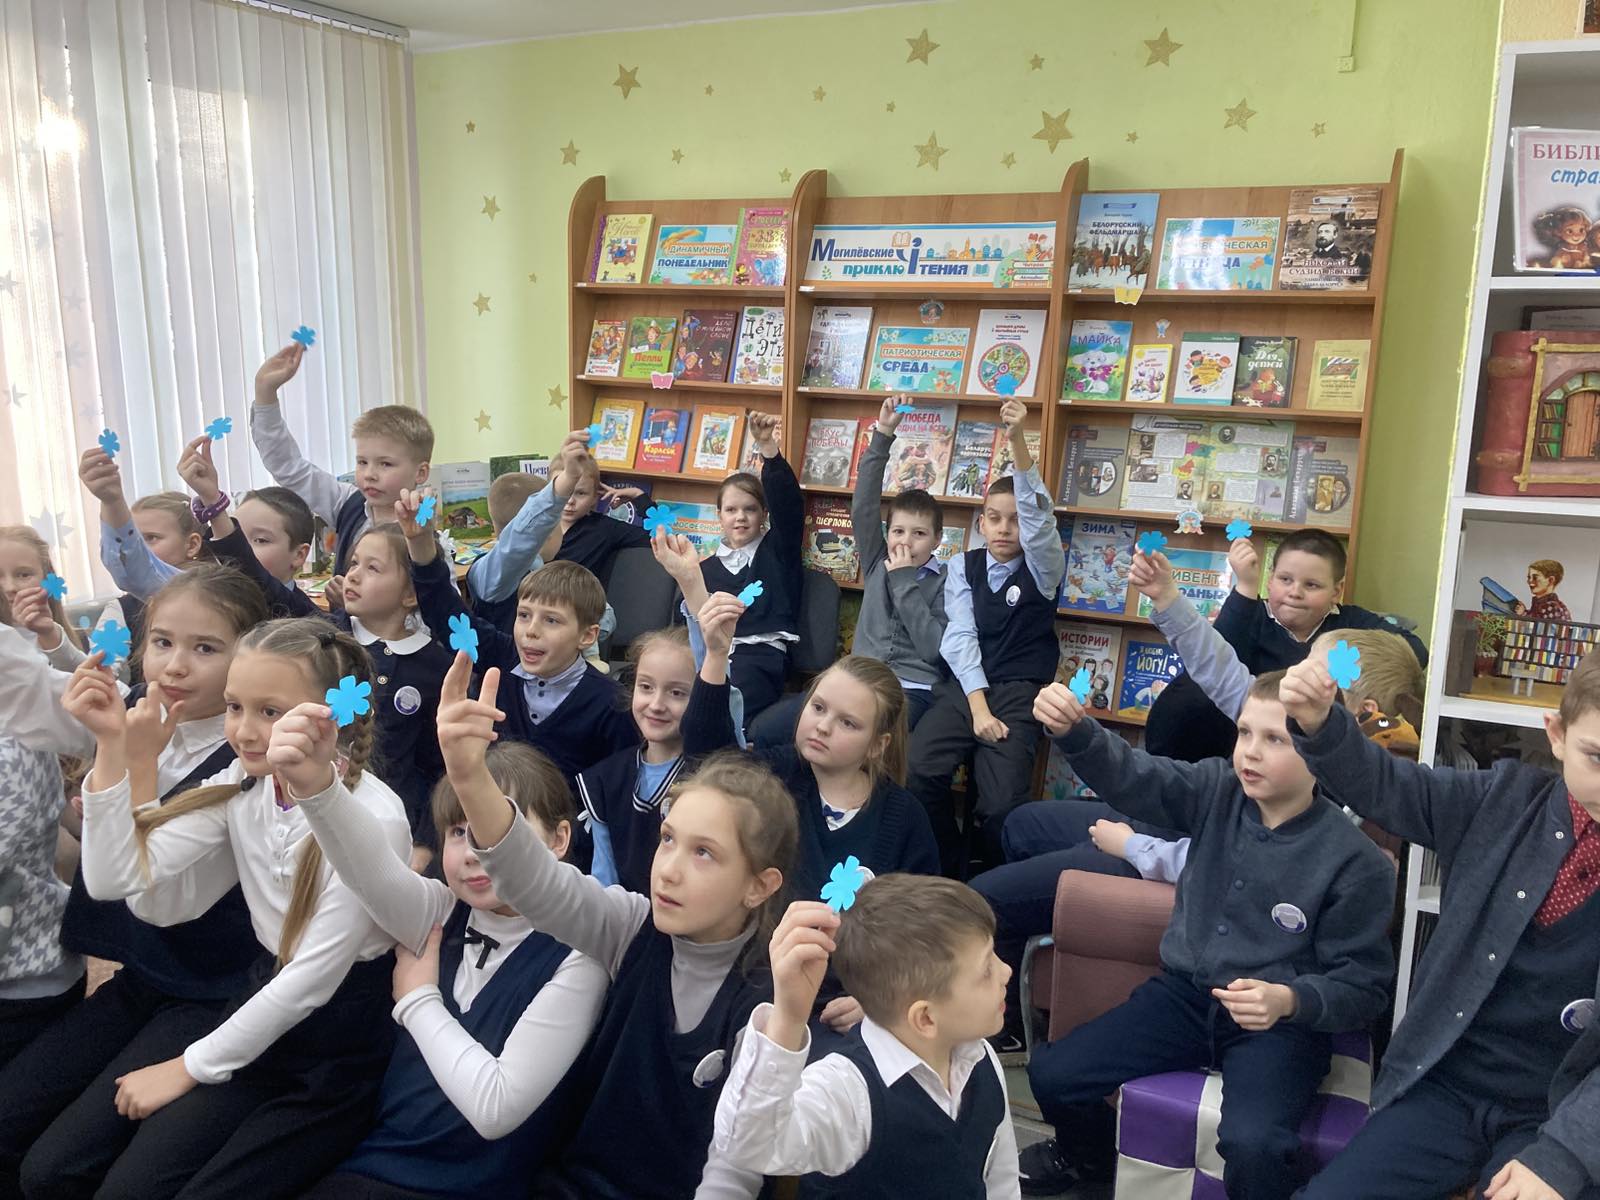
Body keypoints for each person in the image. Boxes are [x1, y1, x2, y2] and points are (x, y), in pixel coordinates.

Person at [972, 549, 1426, 1056]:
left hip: (1159, 855)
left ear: (1360, 711)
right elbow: (1220, 669)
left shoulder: (1336, 801)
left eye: (1311, 678)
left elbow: (1236, 870)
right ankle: (1033, 977)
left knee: (986, 899)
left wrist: (1133, 847)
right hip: (1169, 818)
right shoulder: (1280, 715)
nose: (1292, 679)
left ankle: (1005, 1014)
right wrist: (1168, 598)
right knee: (1021, 826)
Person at [420, 654, 796, 1198]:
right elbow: (536, 883)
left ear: (759, 885)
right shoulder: (632, 927)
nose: (668, 869)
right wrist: (469, 777)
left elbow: (733, 1168)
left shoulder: (765, 997)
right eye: (668, 839)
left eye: (704, 853)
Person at [63, 618, 411, 1199]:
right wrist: (112, 749)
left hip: (335, 1051)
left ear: (330, 716)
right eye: (234, 707)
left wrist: (186, 1066)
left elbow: (311, 980)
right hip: (260, 1010)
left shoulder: (375, 817)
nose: (244, 732)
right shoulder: (245, 786)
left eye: (270, 711)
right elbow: (113, 879)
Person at [1016, 671, 1395, 1197]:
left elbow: (1363, 987)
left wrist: (1290, 1000)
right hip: (1185, 997)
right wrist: (1075, 731)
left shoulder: (1357, 863)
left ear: (1321, 750)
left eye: (1275, 739)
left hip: (1278, 1026)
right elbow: (1137, 776)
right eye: (1244, 732)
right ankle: (1090, 1162)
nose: (1251, 752)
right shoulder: (1218, 789)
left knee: (1255, 1144)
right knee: (1053, 1074)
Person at [1283, 647, 1600, 1200]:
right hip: (1445, 1085)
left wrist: (1565, 1155)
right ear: (1556, 734)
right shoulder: (1502, 799)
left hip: (1561, 1109)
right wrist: (1320, 724)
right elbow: (1391, 787)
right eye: (1596, 757)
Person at [0, 566, 269, 1199]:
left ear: (248, 659)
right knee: (11, 1118)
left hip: (214, 990)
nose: (176, 665)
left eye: (206, 648)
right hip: (144, 976)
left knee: (61, 1167)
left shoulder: (247, 760)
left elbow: (129, 883)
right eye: (163, 642)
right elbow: (35, 703)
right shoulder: (140, 711)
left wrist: (118, 756)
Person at [292, 739, 608, 1199]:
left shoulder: (579, 955)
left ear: (559, 839)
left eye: (499, 827)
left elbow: (495, 1107)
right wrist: (318, 784)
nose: (474, 850)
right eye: (458, 831)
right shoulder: (441, 911)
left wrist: (418, 1000)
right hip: (371, 1169)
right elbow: (368, 870)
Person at [684, 591, 939, 1047]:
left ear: (877, 745)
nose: (822, 726)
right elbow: (708, 763)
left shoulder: (904, 817)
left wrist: (880, 997)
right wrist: (717, 656)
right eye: (818, 708)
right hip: (757, 987)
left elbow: (924, 931)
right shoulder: (777, 775)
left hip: (847, 1007)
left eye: (847, 723)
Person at [179, 435, 451, 862]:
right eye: (354, 562)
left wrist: (426, 843)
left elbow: (438, 768)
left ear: (411, 594)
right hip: (311, 818)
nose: (353, 575)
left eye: (373, 568)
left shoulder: (435, 664)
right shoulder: (326, 637)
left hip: (395, 831)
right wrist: (215, 507)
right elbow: (260, 580)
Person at [711, 875, 1019, 1196]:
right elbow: (748, 1144)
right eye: (986, 970)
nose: (1006, 971)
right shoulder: (849, 1091)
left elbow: (1001, 1179)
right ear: (925, 1018)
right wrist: (788, 1017)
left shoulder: (980, 1058)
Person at [906, 398, 1066, 876]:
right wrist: (978, 709)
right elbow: (960, 637)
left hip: (1019, 694)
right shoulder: (963, 566)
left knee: (1000, 807)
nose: (1005, 528)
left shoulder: (1045, 568)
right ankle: (946, 866)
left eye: (1015, 519)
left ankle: (991, 879)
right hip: (964, 689)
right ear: (981, 523)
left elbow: (1040, 523)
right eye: (995, 518)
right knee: (917, 770)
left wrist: (1017, 441)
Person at [398, 478, 636, 782]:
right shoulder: (502, 657)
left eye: (551, 620)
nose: (531, 631)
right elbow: (446, 613)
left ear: (587, 636)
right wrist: (420, 543)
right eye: (524, 615)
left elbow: (616, 789)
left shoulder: (610, 704)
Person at [750, 394, 949, 748]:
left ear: (937, 539)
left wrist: (904, 581)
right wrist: (883, 433)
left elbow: (933, 649)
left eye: (919, 534)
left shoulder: (947, 580)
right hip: (856, 681)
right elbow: (864, 506)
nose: (906, 542)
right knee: (765, 731)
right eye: (898, 531)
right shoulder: (877, 561)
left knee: (859, 744)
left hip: (911, 690)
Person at [1145, 527, 1428, 763]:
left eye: (1311, 585)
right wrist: (1170, 598)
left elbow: (1412, 652)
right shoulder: (1251, 617)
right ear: (1270, 580)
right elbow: (1215, 662)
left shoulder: (1349, 624)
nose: (1295, 592)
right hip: (1196, 744)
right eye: (1285, 580)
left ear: (1336, 591)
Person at [249, 340, 432, 604]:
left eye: (385, 464)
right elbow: (289, 467)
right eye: (362, 462)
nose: (370, 474)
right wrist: (265, 394)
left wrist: (356, 604)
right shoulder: (349, 504)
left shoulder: (424, 530)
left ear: (420, 473)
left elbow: (437, 602)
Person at [654, 410, 803, 730]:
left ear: (764, 514)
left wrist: (768, 449)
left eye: (750, 509)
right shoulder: (701, 567)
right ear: (718, 515)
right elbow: (684, 624)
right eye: (731, 509)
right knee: (665, 693)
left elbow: (789, 506)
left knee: (722, 709)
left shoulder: (777, 551)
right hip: (705, 654)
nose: (740, 517)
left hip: (759, 657)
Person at [461, 431, 619, 662]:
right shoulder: (493, 575)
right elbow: (520, 540)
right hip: (506, 678)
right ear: (546, 532)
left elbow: (603, 616)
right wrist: (565, 482)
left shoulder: (548, 572)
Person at [577, 625, 697, 894]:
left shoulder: (706, 775)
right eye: (646, 687)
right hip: (624, 916)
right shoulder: (606, 779)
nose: (656, 704)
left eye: (677, 693)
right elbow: (604, 882)